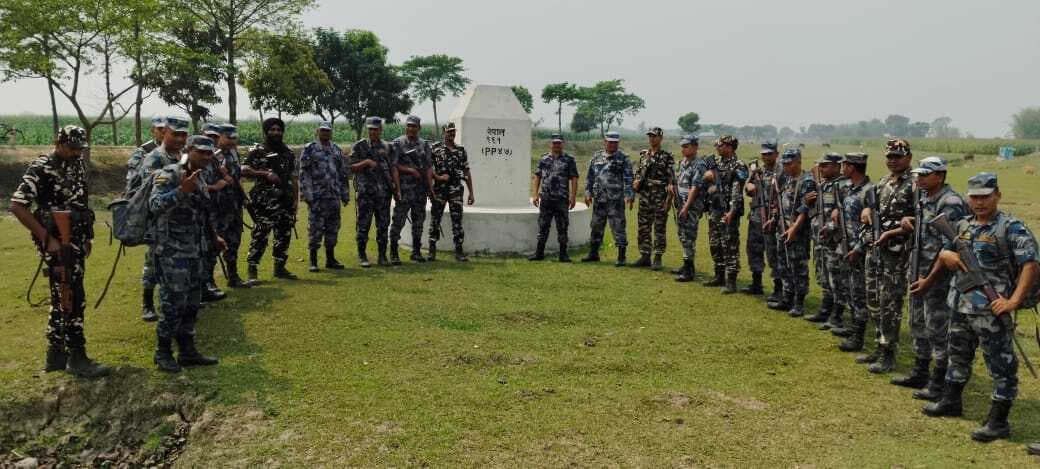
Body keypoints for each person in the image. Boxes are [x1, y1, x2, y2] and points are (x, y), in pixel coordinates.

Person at [920, 172, 1038, 443]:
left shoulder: (1011, 227)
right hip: (960, 304)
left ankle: (998, 421)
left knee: (1001, 364)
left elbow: (1030, 264)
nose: (979, 202)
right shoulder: (962, 225)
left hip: (992, 309)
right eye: (974, 197)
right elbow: (947, 250)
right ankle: (951, 400)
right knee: (957, 354)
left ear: (998, 195)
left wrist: (1014, 301)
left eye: (985, 196)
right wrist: (944, 254)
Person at [9, 125, 110, 378]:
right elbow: (17, 205)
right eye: (72, 148)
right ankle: (77, 357)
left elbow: (81, 202)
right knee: (71, 295)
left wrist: (87, 237)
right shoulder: (41, 167)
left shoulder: (77, 164)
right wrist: (46, 239)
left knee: (61, 297)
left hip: (75, 239)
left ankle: (55, 356)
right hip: (56, 242)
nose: (77, 153)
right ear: (58, 142)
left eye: (80, 149)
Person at [149, 135, 224, 373]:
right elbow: (155, 205)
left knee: (192, 304)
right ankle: (162, 353)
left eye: (209, 153)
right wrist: (181, 190)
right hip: (172, 252)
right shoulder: (169, 173)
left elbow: (203, 213)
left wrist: (214, 238)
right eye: (201, 151)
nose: (206, 156)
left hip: (195, 250)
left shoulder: (201, 178)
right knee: (172, 305)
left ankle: (187, 351)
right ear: (188, 149)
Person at [896, 157, 969, 395]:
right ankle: (920, 372)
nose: (919, 178)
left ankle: (939, 382)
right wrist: (911, 221)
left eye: (925, 174)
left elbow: (949, 248)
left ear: (940, 175)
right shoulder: (925, 197)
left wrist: (930, 280)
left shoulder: (950, 202)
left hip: (938, 279)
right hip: (919, 270)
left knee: (938, 329)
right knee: (917, 323)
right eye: (918, 174)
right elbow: (928, 229)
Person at [857, 139, 915, 374]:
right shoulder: (883, 182)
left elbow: (917, 219)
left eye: (898, 157)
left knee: (890, 302)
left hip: (897, 253)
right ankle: (878, 346)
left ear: (908, 158)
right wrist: (866, 210)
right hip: (876, 249)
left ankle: (888, 353)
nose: (893, 161)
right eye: (890, 157)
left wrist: (894, 232)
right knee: (873, 299)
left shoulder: (914, 184)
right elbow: (872, 206)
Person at [136, 116, 190, 322]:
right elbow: (151, 191)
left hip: (180, 221)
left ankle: (178, 302)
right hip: (159, 222)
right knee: (153, 263)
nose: (179, 138)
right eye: (175, 134)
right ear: (164, 133)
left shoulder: (182, 156)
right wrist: (180, 188)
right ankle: (147, 304)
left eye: (183, 135)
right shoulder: (155, 158)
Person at [242, 117, 300, 281]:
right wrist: (264, 174)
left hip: (285, 200)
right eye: (272, 129)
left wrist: (296, 200)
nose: (276, 132)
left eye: (279, 130)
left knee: (283, 234)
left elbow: (294, 177)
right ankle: (252, 270)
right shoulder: (257, 150)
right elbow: (243, 170)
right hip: (264, 201)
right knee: (260, 235)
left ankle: (280, 268)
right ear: (266, 131)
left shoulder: (288, 152)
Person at [767, 148, 815, 316]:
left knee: (798, 266)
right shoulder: (787, 179)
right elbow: (781, 202)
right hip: (782, 228)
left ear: (798, 161)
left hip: (798, 231)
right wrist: (773, 218)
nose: (786, 166)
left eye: (790, 163)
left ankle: (799, 302)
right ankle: (787, 297)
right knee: (784, 264)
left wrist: (794, 228)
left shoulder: (807, 180)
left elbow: (806, 208)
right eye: (784, 163)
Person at [834, 153, 874, 353]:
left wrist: (858, 249)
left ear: (853, 167)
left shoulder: (869, 191)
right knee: (849, 289)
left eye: (845, 164)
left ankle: (858, 337)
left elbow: (872, 226)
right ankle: (853, 328)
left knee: (859, 293)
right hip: (845, 246)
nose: (842, 167)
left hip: (860, 251)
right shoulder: (848, 189)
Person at [804, 153, 847, 329]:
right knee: (824, 276)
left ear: (837, 166)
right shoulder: (822, 186)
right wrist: (807, 202)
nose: (821, 168)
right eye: (820, 165)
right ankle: (825, 310)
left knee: (837, 279)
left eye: (825, 165)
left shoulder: (844, 186)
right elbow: (815, 211)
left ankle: (836, 315)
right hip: (820, 240)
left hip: (835, 241)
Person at [299, 121, 349, 272]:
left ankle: (330, 259)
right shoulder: (310, 149)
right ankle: (313, 261)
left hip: (333, 196)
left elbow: (342, 173)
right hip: (317, 197)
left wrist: (345, 193)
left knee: (333, 229)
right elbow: (304, 173)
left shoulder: (336, 150)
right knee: (315, 229)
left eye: (328, 131)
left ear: (331, 132)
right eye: (322, 130)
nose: (325, 133)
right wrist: (307, 194)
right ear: (317, 131)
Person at [349, 116, 398, 267]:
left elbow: (393, 168)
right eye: (370, 129)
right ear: (367, 130)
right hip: (365, 194)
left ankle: (382, 256)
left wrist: (395, 186)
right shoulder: (360, 146)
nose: (373, 132)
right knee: (363, 224)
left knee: (383, 225)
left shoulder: (388, 147)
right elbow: (350, 167)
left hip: (383, 194)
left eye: (376, 129)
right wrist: (366, 162)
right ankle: (362, 255)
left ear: (381, 130)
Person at [701, 135, 748, 292]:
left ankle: (731, 281)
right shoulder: (715, 163)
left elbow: (737, 191)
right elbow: (706, 180)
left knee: (730, 245)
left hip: (728, 210)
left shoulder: (739, 165)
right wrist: (709, 179)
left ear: (729, 147)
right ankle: (719, 275)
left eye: (720, 145)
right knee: (715, 243)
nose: (717, 148)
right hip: (714, 209)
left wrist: (732, 212)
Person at [582, 131, 633, 266]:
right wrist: (587, 193)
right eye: (609, 142)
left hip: (615, 201)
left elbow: (628, 178)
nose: (612, 144)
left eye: (615, 142)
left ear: (618, 143)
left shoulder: (623, 158)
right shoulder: (596, 157)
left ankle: (621, 257)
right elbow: (589, 177)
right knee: (596, 227)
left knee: (618, 228)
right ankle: (593, 254)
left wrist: (629, 195)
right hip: (599, 200)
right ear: (605, 142)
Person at [389, 115, 434, 264]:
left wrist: (430, 187)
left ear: (419, 128)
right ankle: (394, 252)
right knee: (398, 221)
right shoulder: (398, 143)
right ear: (405, 127)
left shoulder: (425, 144)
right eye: (409, 126)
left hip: (420, 190)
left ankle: (416, 251)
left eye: (414, 126)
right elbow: (394, 165)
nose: (411, 128)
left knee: (418, 222)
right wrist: (409, 170)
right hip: (405, 189)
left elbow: (428, 167)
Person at [429, 122, 474, 262]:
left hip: (456, 190)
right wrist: (438, 178)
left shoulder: (461, 150)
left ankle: (459, 251)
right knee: (435, 219)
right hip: (439, 189)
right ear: (443, 132)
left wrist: (471, 192)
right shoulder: (435, 148)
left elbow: (466, 171)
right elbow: (429, 170)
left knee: (457, 220)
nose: (452, 134)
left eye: (453, 131)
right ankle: (431, 250)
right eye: (449, 132)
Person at [529, 133, 579, 262]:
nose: (557, 145)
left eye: (559, 143)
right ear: (550, 144)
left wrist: (573, 197)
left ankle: (563, 254)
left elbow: (574, 178)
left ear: (562, 144)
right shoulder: (544, 159)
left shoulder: (569, 160)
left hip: (561, 199)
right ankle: (539, 253)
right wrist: (535, 194)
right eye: (554, 143)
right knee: (543, 226)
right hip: (546, 198)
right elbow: (537, 177)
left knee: (562, 226)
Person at [631, 127, 676, 271]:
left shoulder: (667, 156)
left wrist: (668, 199)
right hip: (645, 196)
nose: (652, 139)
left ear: (661, 138)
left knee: (659, 227)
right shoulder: (644, 155)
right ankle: (645, 255)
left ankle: (657, 256)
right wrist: (636, 181)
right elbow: (639, 173)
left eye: (654, 136)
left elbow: (671, 179)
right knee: (643, 227)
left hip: (659, 196)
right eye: (650, 136)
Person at [212, 124, 250, 288]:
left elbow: (236, 178)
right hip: (217, 207)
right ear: (219, 137)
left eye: (234, 138)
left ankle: (233, 277)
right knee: (214, 243)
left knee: (234, 241)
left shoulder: (234, 154)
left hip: (234, 206)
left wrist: (243, 195)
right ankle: (208, 281)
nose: (232, 141)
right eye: (228, 137)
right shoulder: (211, 155)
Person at [744, 141, 781, 295]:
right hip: (756, 217)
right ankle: (756, 283)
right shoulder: (758, 171)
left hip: (773, 220)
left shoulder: (781, 172)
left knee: (774, 253)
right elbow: (748, 186)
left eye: (769, 154)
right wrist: (748, 186)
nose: (766, 157)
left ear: (776, 154)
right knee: (753, 250)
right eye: (764, 154)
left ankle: (779, 288)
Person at [199, 121, 229, 302]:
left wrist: (224, 178)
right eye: (208, 136)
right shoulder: (193, 157)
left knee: (211, 248)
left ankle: (208, 284)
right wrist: (215, 186)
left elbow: (227, 178)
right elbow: (192, 186)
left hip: (213, 211)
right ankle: (200, 287)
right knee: (199, 250)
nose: (211, 140)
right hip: (198, 211)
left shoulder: (215, 158)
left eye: (215, 137)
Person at [672, 134, 707, 281]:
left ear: (695, 147)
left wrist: (686, 207)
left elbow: (695, 188)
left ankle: (689, 270)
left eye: (686, 146)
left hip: (691, 206)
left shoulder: (699, 164)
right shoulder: (683, 163)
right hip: (680, 203)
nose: (683, 149)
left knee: (689, 236)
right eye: (682, 146)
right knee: (682, 235)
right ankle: (687, 265)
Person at [125, 116, 166, 195]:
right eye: (160, 129)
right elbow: (132, 178)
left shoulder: (180, 150)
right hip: (147, 193)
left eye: (166, 129)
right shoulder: (144, 150)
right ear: (153, 130)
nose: (163, 132)